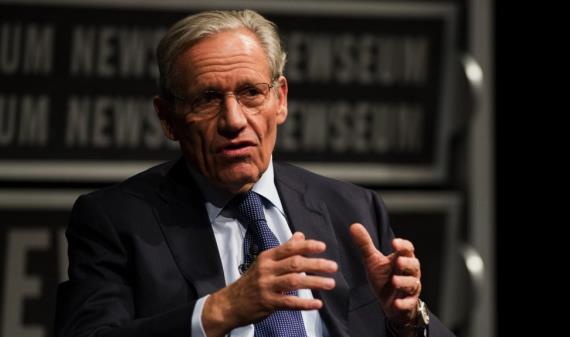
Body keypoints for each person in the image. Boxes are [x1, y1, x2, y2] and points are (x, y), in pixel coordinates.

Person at [55, 9, 456, 337]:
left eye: (251, 93)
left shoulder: (352, 209)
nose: (234, 120)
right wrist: (221, 309)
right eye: (208, 98)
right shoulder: (115, 221)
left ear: (279, 99)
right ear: (168, 119)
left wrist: (405, 322)